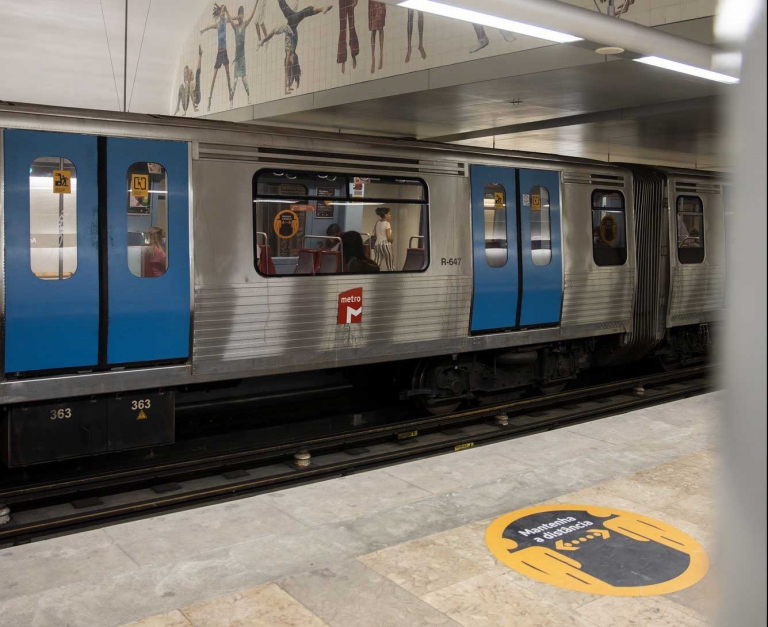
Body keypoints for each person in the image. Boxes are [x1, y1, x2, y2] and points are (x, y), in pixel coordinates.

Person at [260, 0, 332, 94]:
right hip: (292, 26)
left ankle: (322, 9)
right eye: (294, 60)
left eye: (291, 60)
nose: (292, 59)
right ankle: (322, 9)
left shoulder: (288, 56)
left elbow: (287, 72)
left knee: (288, 9)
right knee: (303, 12)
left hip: (289, 27)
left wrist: (286, 89)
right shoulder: (292, 53)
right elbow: (289, 71)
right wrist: (288, 86)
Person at [201, 3, 234, 111]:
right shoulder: (218, 24)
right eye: (222, 11)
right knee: (214, 76)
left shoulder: (226, 20)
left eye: (224, 11)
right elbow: (209, 27)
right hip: (219, 53)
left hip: (225, 52)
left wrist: (235, 15)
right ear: (219, 12)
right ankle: (209, 99)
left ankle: (230, 97)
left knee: (228, 75)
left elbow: (232, 18)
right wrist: (203, 30)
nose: (223, 12)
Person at [226, 4, 259, 103]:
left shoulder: (244, 25)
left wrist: (256, 4)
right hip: (237, 58)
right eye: (239, 15)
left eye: (241, 15)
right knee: (235, 81)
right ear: (238, 16)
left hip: (242, 58)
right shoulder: (235, 27)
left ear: (243, 16)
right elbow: (229, 19)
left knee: (244, 80)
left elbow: (252, 16)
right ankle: (231, 100)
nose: (240, 17)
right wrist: (226, 10)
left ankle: (249, 96)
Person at [337, 0, 359, 73]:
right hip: (342, 2)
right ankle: (342, 59)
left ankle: (354, 54)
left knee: (351, 26)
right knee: (342, 29)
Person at [373, 206, 394, 271]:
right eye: (389, 214)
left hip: (377, 245)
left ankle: (372, 275)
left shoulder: (377, 222)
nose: (390, 215)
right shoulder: (387, 224)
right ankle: (392, 276)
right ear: (385, 215)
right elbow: (388, 237)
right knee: (390, 265)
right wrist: (392, 240)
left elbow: (375, 235)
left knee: (377, 263)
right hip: (385, 245)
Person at [368, 0, 386, 74]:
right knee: (373, 30)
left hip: (381, 3)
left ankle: (381, 57)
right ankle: (373, 59)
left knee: (381, 28)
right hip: (372, 3)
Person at [191, 45, 203, 112]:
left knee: (197, 74)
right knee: (197, 74)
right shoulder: (191, 83)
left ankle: (200, 55)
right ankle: (200, 55)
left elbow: (192, 95)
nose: (192, 73)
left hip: (197, 97)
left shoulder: (192, 83)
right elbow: (192, 96)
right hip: (197, 97)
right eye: (191, 73)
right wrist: (194, 108)